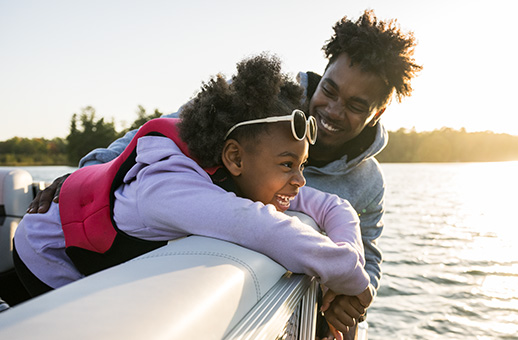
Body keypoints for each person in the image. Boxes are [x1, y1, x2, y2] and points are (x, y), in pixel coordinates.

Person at [27, 9, 421, 339]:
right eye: (330, 90)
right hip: (112, 271)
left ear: (378, 113)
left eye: (355, 104)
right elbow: (168, 130)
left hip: (285, 304)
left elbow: (363, 251)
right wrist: (92, 174)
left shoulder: (367, 183)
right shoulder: (256, 106)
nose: (333, 111)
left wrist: (351, 301)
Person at [13, 54, 370, 303]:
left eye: (302, 165)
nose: (300, 181)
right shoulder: (169, 189)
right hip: (48, 250)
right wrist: (350, 277)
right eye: (288, 164)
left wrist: (351, 257)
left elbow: (334, 206)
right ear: (234, 157)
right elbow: (262, 229)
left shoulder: (252, 173)